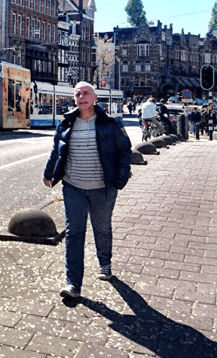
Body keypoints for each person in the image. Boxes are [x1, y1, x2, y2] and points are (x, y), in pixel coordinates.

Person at [42, 81, 132, 300]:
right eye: (77, 94)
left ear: (95, 97)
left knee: (101, 228)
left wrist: (119, 181)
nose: (81, 97)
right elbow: (57, 149)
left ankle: (105, 263)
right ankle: (73, 283)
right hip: (73, 187)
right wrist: (48, 173)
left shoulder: (110, 123)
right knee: (74, 234)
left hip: (102, 187)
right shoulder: (66, 122)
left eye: (86, 93)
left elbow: (124, 151)